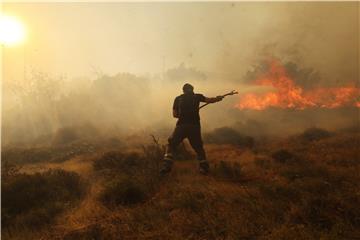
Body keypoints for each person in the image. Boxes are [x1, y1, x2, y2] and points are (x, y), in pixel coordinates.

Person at [160, 83, 223, 175]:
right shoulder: (197, 96)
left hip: (181, 126)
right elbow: (210, 100)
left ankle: (166, 166)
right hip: (194, 126)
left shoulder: (178, 99)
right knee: (198, 147)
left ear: (183, 90)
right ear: (192, 89)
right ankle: (204, 168)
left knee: (171, 144)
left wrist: (183, 114)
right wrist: (218, 98)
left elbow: (175, 115)